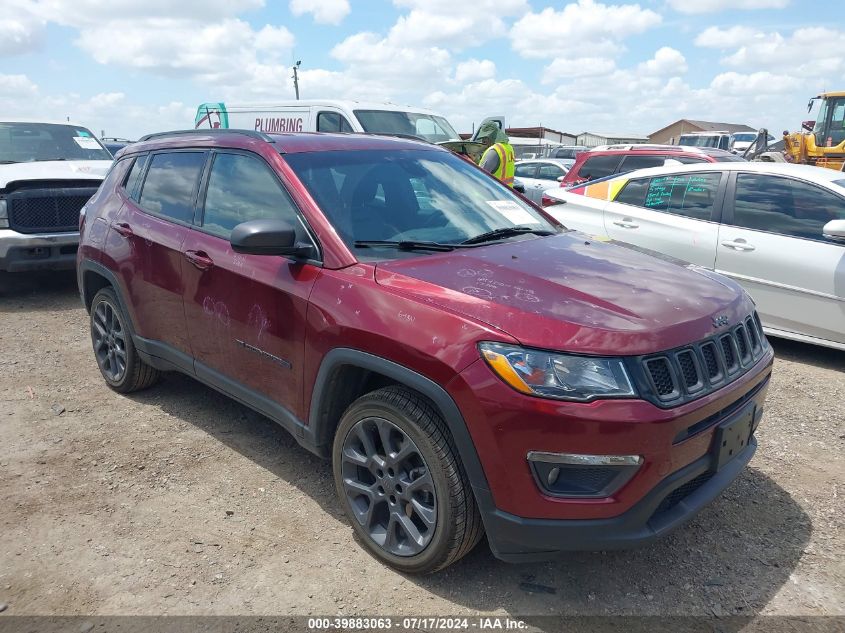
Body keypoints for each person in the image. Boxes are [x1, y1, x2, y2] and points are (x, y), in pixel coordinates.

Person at [476, 122, 515, 187]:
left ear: (490, 136)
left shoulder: (493, 151)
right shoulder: (508, 147)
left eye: (485, 138)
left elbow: (480, 176)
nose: (483, 142)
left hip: (494, 193)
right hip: (506, 192)